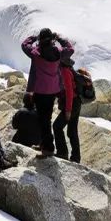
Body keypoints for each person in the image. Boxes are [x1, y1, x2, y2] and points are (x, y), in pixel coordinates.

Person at [22, 28, 74, 158]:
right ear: (51, 40)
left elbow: (24, 45)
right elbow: (70, 48)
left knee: (43, 119)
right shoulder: (58, 52)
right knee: (47, 118)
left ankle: (48, 148)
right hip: (52, 91)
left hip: (40, 91)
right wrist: (59, 38)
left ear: (41, 39)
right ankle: (44, 144)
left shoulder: (35, 53)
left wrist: (34, 37)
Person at [53, 55, 82, 163]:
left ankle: (62, 153)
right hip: (76, 102)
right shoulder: (68, 68)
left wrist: (68, 110)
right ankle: (76, 157)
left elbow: (69, 91)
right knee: (72, 131)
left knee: (57, 126)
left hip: (72, 103)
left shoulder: (64, 71)